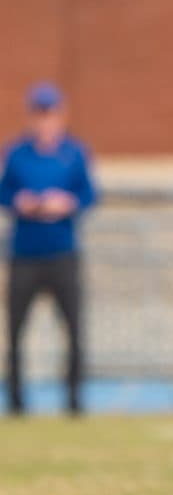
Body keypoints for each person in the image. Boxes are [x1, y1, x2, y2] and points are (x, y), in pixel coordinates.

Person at [1, 83, 96, 417]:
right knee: (15, 331)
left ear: (61, 115)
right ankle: (16, 403)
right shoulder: (16, 153)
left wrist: (66, 203)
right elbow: (4, 192)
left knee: (73, 329)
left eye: (50, 113)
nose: (45, 120)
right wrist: (20, 201)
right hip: (24, 254)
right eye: (39, 114)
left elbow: (88, 194)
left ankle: (74, 401)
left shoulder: (74, 153)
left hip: (62, 253)